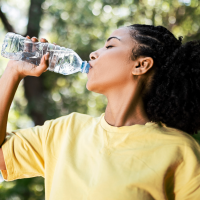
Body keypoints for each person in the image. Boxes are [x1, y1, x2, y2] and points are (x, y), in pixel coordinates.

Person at [0, 24, 200, 200]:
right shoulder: (64, 130)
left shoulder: (179, 150)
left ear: (141, 65)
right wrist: (12, 72)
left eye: (110, 46)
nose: (93, 54)